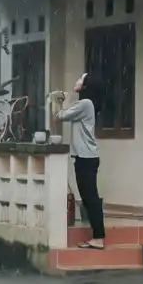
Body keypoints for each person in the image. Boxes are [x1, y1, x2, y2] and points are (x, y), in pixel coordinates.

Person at [53, 73, 105, 250]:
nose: (77, 81)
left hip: (86, 158)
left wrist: (58, 100)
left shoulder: (85, 104)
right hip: (85, 157)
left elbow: (61, 115)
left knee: (91, 197)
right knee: (88, 197)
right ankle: (97, 235)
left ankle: (99, 237)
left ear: (86, 86)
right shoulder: (85, 104)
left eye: (81, 79)